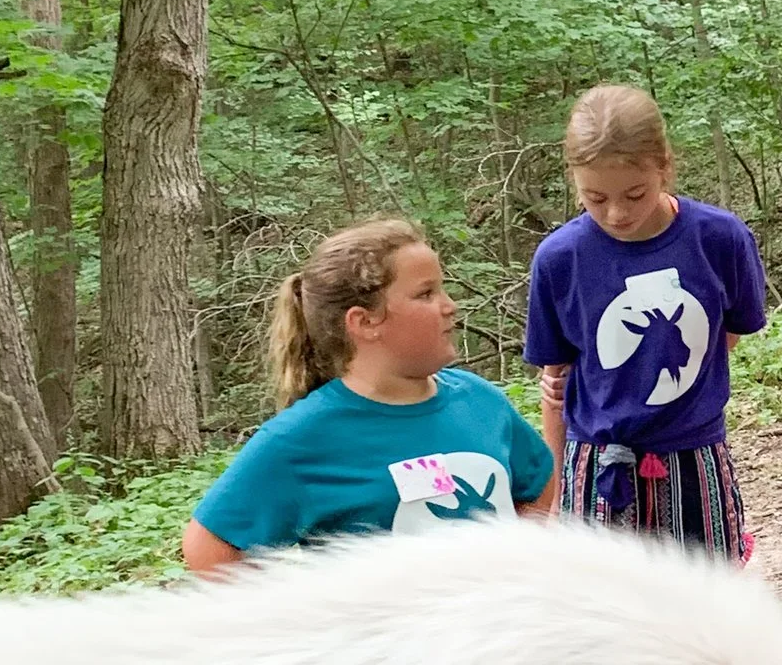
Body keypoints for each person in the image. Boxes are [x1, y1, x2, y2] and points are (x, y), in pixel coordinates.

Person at [182, 219, 554, 575]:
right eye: (426, 293)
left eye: (441, 289)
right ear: (365, 322)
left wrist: (514, 570)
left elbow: (539, 483)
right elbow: (210, 549)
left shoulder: (478, 400)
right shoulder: (303, 437)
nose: (449, 305)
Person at [525, 85, 768, 560]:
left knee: (706, 606)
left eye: (635, 194)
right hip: (596, 464)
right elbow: (555, 386)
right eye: (595, 198)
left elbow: (724, 336)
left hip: (696, 457)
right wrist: (553, 500)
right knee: (604, 611)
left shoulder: (719, 240)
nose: (617, 214)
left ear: (665, 166)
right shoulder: (560, 259)